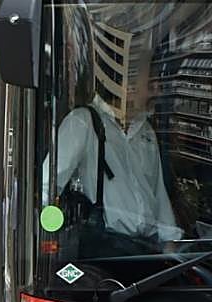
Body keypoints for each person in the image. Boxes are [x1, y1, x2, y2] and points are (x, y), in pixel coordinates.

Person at [48, 66, 182, 244]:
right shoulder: (83, 122)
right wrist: (50, 237)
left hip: (146, 248)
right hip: (104, 248)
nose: (157, 92)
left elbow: (158, 194)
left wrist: (171, 241)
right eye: (151, 85)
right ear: (128, 87)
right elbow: (47, 186)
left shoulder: (146, 131)